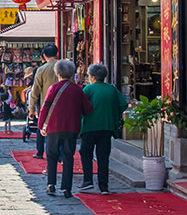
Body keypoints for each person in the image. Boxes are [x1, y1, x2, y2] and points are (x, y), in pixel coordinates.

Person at [38, 59, 93, 198]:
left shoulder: (53, 88)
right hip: (72, 127)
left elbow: (46, 107)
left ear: (58, 74)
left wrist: (41, 125)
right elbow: (87, 108)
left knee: (51, 155)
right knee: (68, 156)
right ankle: (66, 188)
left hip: (54, 127)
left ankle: (51, 184)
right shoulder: (78, 90)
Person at [80, 63, 128, 194]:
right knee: (103, 157)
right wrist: (113, 112)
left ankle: (87, 180)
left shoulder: (88, 89)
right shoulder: (112, 89)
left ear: (92, 76)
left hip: (89, 126)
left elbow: (81, 106)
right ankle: (104, 186)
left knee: (85, 153)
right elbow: (123, 104)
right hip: (107, 127)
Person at [29, 44, 59, 159]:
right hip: (62, 105)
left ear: (44, 55)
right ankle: (59, 156)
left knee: (43, 130)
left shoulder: (41, 70)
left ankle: (41, 153)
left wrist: (31, 109)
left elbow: (35, 91)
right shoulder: (65, 67)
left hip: (46, 106)